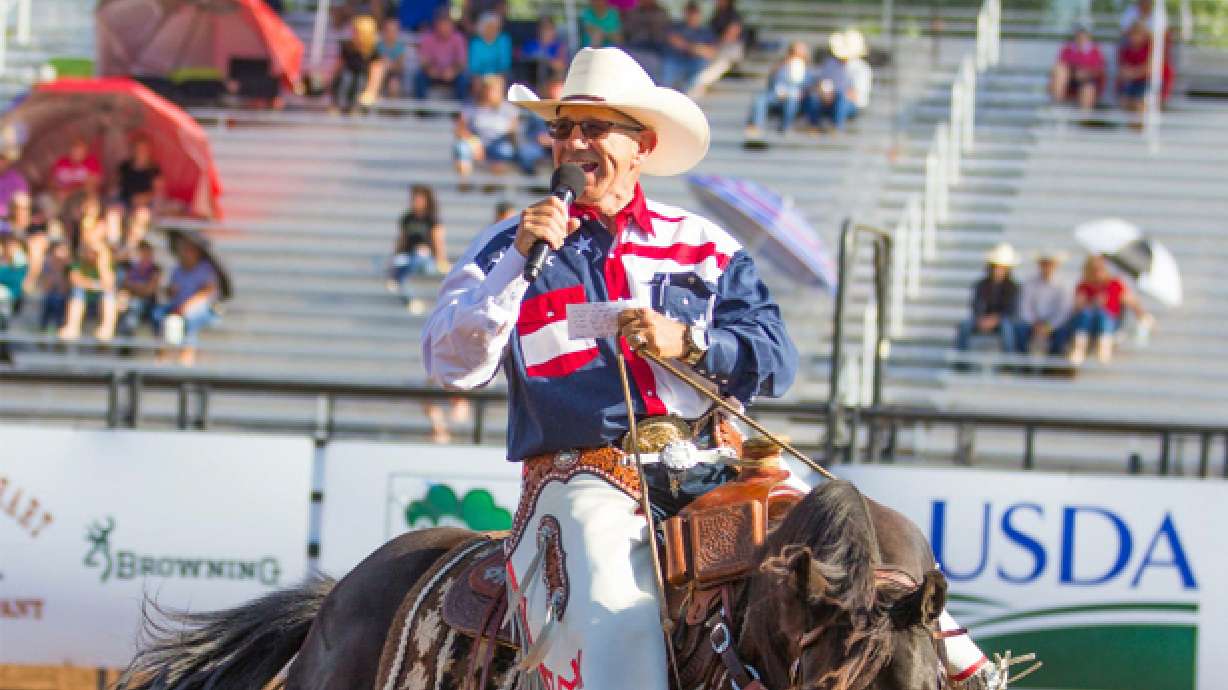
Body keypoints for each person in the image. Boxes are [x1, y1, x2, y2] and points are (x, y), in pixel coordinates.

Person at [424, 45, 998, 690]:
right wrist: (516, 264)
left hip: (719, 459)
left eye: (593, 127)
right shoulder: (507, 244)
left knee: (868, 555)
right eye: (562, 128)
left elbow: (776, 358)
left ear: (641, 144)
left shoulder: (704, 242)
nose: (573, 142)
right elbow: (453, 366)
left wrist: (691, 342)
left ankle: (967, 673)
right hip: (584, 471)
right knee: (616, 621)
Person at [453, 75, 540, 183]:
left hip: (499, 143)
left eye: (494, 90)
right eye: (488, 89)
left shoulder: (509, 109)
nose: (490, 93)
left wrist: (511, 139)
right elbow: (460, 129)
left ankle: (493, 183)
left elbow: (513, 132)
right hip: (476, 143)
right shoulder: (470, 107)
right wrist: (474, 142)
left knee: (505, 150)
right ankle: (464, 182)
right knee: (462, 147)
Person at [153, 232, 222, 366]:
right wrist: (169, 290)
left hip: (202, 309)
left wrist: (186, 306)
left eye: (187, 249)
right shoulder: (177, 269)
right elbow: (170, 293)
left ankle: (186, 357)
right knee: (158, 315)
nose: (184, 253)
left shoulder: (205, 269)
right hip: (178, 307)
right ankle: (162, 356)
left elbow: (207, 292)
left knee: (189, 320)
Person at [1069, 254, 1150, 364]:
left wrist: (1143, 315)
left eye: (1100, 269)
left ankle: (1104, 347)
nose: (1097, 273)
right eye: (1094, 270)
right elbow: (1077, 307)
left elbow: (1132, 302)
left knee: (1103, 315)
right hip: (1088, 326)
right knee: (1086, 314)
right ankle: (1079, 348)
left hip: (1108, 325)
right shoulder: (1084, 286)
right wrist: (1091, 302)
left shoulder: (1115, 285)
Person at [388, 184, 448, 313]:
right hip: (409, 258)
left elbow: (438, 242)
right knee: (398, 261)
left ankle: (397, 281)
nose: (415, 202)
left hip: (427, 260)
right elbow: (401, 240)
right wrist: (395, 255)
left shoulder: (431, 219)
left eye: (418, 199)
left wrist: (441, 260)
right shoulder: (407, 218)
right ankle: (408, 296)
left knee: (420, 254)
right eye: (413, 199)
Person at [955, 243, 1022, 354]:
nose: (998, 271)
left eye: (1001, 268)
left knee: (1007, 328)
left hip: (1002, 319)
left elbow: (1011, 309)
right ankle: (961, 361)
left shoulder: (1013, 287)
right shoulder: (981, 284)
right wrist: (981, 318)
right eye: (996, 267)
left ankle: (1008, 361)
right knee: (964, 326)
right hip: (983, 318)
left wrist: (995, 319)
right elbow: (976, 304)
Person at [105, 137, 163, 258]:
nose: (140, 151)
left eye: (143, 149)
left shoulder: (154, 169)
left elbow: (158, 192)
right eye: (137, 148)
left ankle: (130, 247)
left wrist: (145, 198)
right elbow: (115, 184)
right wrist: (113, 191)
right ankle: (113, 245)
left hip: (145, 203)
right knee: (113, 213)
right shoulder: (124, 167)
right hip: (124, 200)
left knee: (141, 215)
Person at [804, 29, 868, 132]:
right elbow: (822, 82)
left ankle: (837, 129)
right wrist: (824, 94)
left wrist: (834, 95)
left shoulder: (861, 68)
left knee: (841, 99)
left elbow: (856, 95)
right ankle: (813, 127)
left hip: (849, 104)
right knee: (813, 98)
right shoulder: (830, 63)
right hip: (828, 101)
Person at [744, 40, 809, 137]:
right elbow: (772, 84)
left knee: (792, 101)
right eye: (793, 53)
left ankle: (785, 127)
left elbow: (806, 88)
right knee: (760, 99)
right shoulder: (780, 67)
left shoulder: (808, 71)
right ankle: (756, 126)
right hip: (776, 95)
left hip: (794, 97)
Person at [58, 240, 119, 342]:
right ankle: (72, 326)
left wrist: (102, 265)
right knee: (78, 291)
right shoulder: (78, 264)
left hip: (100, 302)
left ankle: (107, 329)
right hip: (82, 299)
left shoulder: (107, 265)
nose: (93, 255)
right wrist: (96, 285)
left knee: (109, 295)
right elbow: (75, 280)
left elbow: (109, 284)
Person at [44, 138, 102, 240]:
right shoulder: (62, 162)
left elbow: (92, 185)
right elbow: (50, 182)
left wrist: (69, 193)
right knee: (45, 202)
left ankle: (77, 238)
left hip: (80, 197)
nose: (76, 152)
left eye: (80, 150)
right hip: (60, 197)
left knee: (79, 208)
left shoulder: (91, 163)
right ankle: (55, 239)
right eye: (74, 149)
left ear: (85, 151)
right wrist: (56, 191)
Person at [1018, 250, 1074, 355]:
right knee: (1020, 328)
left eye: (1050, 264)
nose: (1047, 267)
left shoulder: (1064, 284)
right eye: (1045, 264)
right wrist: (1035, 324)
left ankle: (1055, 363)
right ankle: (1022, 363)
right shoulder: (1029, 282)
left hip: (1055, 324)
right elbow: (1025, 307)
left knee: (1063, 331)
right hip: (1033, 323)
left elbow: (1064, 311)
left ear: (1056, 265)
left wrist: (1049, 326)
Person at [687, 0, 745, 97]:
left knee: (705, 76)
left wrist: (712, 48)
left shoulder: (734, 16)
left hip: (729, 51)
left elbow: (732, 34)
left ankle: (698, 86)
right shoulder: (716, 15)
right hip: (716, 51)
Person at [329, 14, 384, 113]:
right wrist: (329, 82)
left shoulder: (374, 52)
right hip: (345, 80)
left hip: (362, 82)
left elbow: (376, 74)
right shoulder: (347, 47)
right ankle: (339, 105)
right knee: (347, 77)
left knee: (359, 79)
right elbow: (337, 66)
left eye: (357, 31)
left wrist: (371, 91)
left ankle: (355, 108)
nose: (354, 34)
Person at [413, 8, 469, 100]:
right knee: (420, 78)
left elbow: (462, 62)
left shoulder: (458, 38)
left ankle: (460, 111)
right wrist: (429, 69)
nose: (444, 28)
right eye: (442, 24)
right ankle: (421, 112)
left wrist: (453, 71)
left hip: (451, 74)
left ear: (452, 25)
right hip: (432, 73)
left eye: (447, 24)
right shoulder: (428, 38)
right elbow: (423, 61)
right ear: (436, 25)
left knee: (462, 80)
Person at [661, 1, 717, 93]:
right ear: (685, 14)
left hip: (694, 61)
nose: (692, 16)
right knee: (668, 66)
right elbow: (674, 41)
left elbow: (710, 52)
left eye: (694, 14)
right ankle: (665, 93)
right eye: (690, 13)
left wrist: (694, 48)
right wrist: (694, 48)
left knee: (701, 65)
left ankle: (687, 93)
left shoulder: (705, 31)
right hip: (676, 59)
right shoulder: (677, 27)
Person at [1050, 25, 1106, 111]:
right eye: (1079, 36)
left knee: (1088, 90)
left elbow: (1099, 71)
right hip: (1069, 80)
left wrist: (1085, 73)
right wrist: (1074, 73)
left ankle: (1083, 119)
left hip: (1087, 81)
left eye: (1084, 36)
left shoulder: (1095, 51)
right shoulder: (1067, 49)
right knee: (1060, 70)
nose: (1081, 38)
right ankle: (1057, 107)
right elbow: (1060, 67)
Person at [116, 240, 162, 337]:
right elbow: (124, 284)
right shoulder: (129, 267)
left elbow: (148, 290)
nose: (144, 256)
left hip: (148, 305)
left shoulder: (155, 269)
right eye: (142, 253)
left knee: (135, 304)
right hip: (128, 301)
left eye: (147, 253)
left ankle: (126, 338)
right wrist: (139, 288)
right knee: (122, 301)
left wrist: (133, 287)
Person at [622, 0, 672, 80]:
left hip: (656, 45)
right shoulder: (633, 12)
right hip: (636, 43)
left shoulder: (661, 12)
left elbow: (666, 33)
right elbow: (627, 30)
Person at [517, 16, 567, 88]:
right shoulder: (529, 45)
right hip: (532, 80)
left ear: (554, 30)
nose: (546, 32)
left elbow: (560, 66)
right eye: (543, 28)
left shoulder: (559, 46)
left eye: (549, 29)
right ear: (538, 30)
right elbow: (522, 61)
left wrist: (546, 61)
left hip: (552, 80)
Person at [1117, 21, 1154, 113]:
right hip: (1131, 83)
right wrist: (1137, 72)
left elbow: (1149, 69)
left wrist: (1133, 73)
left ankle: (1140, 126)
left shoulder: (1150, 48)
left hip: (1146, 82)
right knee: (1124, 101)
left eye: (1138, 34)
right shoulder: (1126, 49)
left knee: (1140, 104)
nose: (1134, 37)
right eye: (1133, 34)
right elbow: (1123, 70)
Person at [38, 241, 72, 332]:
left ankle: (58, 327)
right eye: (60, 250)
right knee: (51, 299)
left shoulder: (69, 266)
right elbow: (46, 285)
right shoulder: (47, 264)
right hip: (51, 294)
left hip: (63, 297)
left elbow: (66, 287)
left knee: (58, 300)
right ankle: (44, 328)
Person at [467, 12, 512, 79]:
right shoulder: (475, 43)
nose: (493, 30)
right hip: (479, 77)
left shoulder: (504, 40)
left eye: (495, 27)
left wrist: (495, 77)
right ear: (482, 27)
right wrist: (482, 78)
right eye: (489, 27)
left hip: (499, 76)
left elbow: (505, 64)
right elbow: (473, 67)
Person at [376, 16, 408, 97]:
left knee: (394, 85)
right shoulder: (378, 46)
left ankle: (392, 108)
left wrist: (389, 65)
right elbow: (375, 62)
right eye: (388, 30)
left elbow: (400, 66)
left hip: (395, 75)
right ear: (384, 31)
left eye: (393, 31)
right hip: (379, 74)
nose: (390, 33)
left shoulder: (400, 47)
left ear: (397, 32)